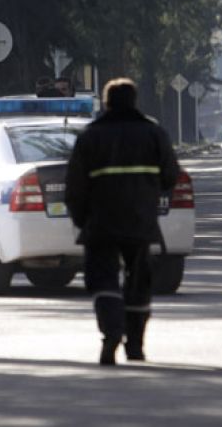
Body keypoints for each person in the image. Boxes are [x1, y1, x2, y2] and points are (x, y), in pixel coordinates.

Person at [65, 77, 179, 365]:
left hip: (101, 222)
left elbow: (75, 185)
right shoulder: (154, 133)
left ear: (106, 102)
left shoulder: (90, 136)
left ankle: (112, 332)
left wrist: (81, 219)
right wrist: (149, 196)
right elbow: (170, 177)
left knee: (102, 279)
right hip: (141, 221)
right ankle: (136, 346)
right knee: (139, 281)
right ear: (135, 100)